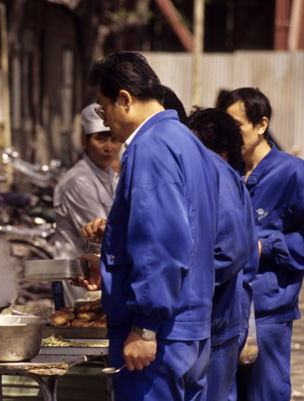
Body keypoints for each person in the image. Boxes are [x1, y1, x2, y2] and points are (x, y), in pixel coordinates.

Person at [78, 52, 219, 401]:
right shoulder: (187, 142)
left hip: (163, 335)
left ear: (124, 99)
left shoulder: (151, 147)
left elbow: (161, 244)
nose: (105, 120)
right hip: (190, 327)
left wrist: (145, 328)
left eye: (102, 108)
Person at [217, 88, 304, 401]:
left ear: (261, 124)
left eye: (236, 125)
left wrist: (266, 248)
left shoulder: (292, 173)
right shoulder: (224, 172)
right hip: (224, 313)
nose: (229, 135)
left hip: (267, 315)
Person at [187, 107, 259, 401]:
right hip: (218, 314)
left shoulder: (217, 177)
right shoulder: (217, 175)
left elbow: (231, 251)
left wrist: (186, 285)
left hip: (217, 316)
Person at [53, 103, 121, 307]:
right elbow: (102, 235)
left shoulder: (112, 176)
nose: (109, 146)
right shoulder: (78, 180)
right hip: (81, 280)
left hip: (102, 275)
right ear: (85, 141)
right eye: (100, 138)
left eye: (114, 138)